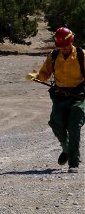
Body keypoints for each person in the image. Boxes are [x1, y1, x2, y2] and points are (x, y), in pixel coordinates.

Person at [26, 27, 84, 173]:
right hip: (60, 95)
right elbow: (45, 72)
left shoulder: (82, 56)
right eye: (60, 46)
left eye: (65, 45)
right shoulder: (54, 55)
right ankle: (67, 148)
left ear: (72, 42)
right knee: (56, 123)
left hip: (79, 96)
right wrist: (37, 76)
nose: (63, 48)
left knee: (74, 125)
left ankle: (73, 163)